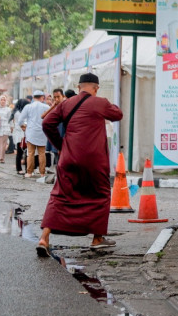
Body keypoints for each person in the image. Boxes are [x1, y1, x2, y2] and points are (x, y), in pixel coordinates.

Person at [36, 73, 123, 256]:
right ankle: (97, 238)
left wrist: (61, 146)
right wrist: (105, 104)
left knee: (60, 195)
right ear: (96, 88)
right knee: (100, 194)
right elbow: (118, 114)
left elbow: (47, 123)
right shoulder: (100, 103)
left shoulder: (66, 104)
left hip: (69, 158)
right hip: (94, 161)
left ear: (78, 86)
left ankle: (44, 238)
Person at [20, 90, 49, 178]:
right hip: (42, 133)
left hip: (31, 132)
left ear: (33, 97)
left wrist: (23, 126)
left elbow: (20, 120)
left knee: (30, 153)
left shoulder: (28, 107)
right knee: (42, 153)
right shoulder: (46, 107)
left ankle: (29, 172)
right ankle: (42, 173)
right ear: (42, 97)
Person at [13, 94, 31, 175]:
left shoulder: (20, 112)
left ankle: (26, 168)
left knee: (26, 152)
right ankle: (19, 168)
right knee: (20, 152)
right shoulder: (18, 113)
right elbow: (20, 123)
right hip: (20, 134)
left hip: (24, 134)